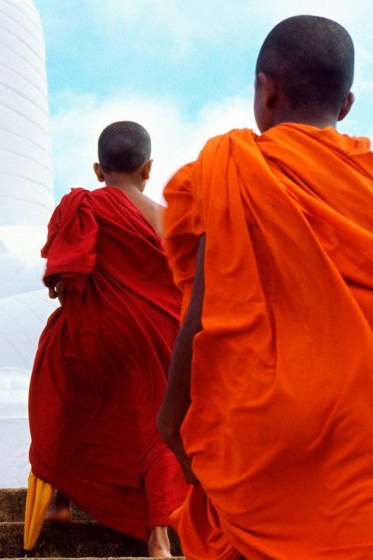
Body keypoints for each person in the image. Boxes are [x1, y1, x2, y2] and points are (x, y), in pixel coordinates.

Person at [158, 15, 373, 559]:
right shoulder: (365, 179)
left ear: (265, 90)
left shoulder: (233, 172)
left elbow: (203, 313)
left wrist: (173, 419)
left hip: (264, 445)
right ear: (346, 105)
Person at [28, 122, 189, 557]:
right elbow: (187, 284)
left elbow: (63, 279)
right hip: (160, 334)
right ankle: (158, 538)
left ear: (99, 170)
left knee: (62, 382)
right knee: (155, 422)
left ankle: (60, 501)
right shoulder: (168, 219)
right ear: (149, 169)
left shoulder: (82, 204)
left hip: (97, 333)